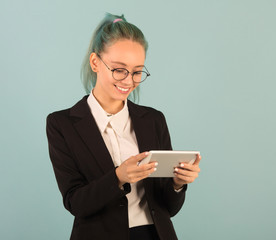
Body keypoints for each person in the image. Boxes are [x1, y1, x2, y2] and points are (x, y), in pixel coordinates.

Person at [46, 13, 201, 240]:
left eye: (137, 71)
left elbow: (169, 208)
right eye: (119, 69)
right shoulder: (62, 124)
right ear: (95, 62)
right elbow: (75, 203)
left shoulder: (154, 120)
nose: (128, 80)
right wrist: (118, 176)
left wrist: (178, 183)